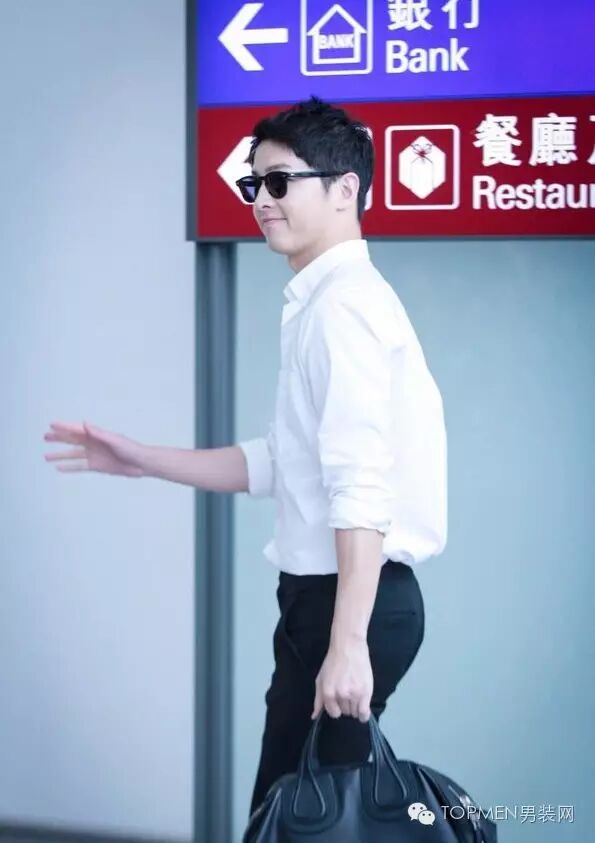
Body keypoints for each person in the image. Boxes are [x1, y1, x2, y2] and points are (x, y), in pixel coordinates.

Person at [43, 96, 447, 822]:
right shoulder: (322, 302)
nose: (261, 200)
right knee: (300, 815)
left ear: (345, 188)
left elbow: (360, 485)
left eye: (280, 181)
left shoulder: (342, 307)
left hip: (347, 600)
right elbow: (281, 465)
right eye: (254, 183)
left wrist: (346, 642)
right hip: (328, 601)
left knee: (297, 818)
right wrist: (140, 458)